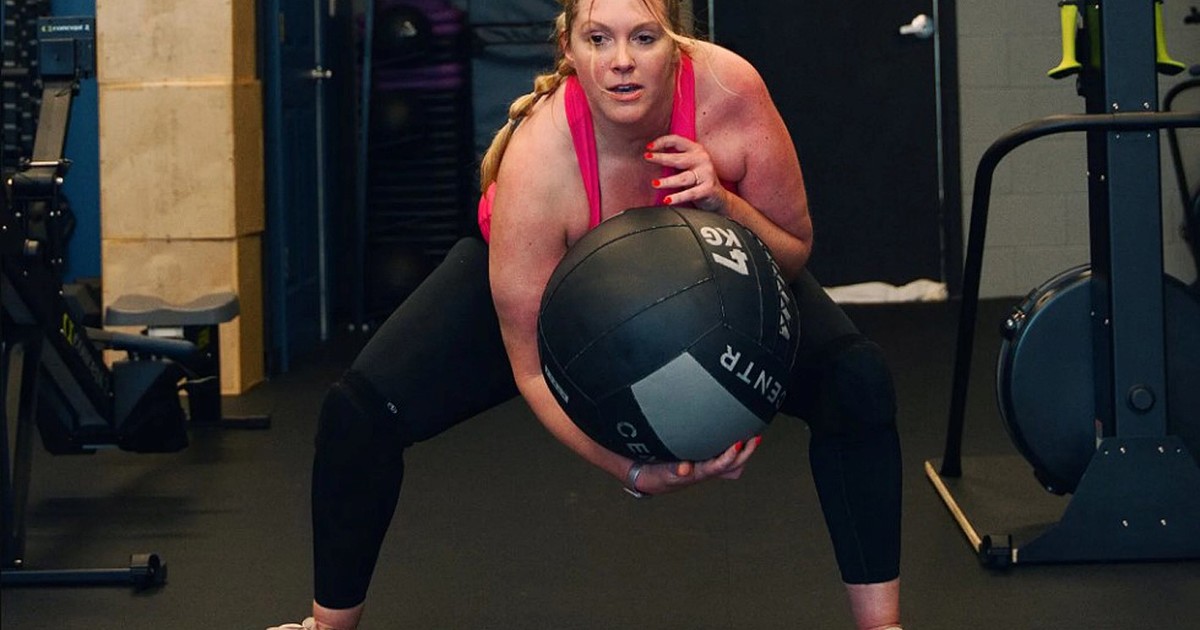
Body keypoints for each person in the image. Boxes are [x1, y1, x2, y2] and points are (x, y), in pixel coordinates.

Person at [272, 0, 903, 628]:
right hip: (551, 281)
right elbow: (531, 369)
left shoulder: (729, 91)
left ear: (676, 44)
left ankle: (883, 625)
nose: (621, 61)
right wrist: (633, 470)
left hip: (707, 273)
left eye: (644, 38)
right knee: (359, 414)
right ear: (569, 49)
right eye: (598, 39)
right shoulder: (539, 159)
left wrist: (723, 203)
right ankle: (327, 626)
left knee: (856, 380)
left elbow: (793, 249)